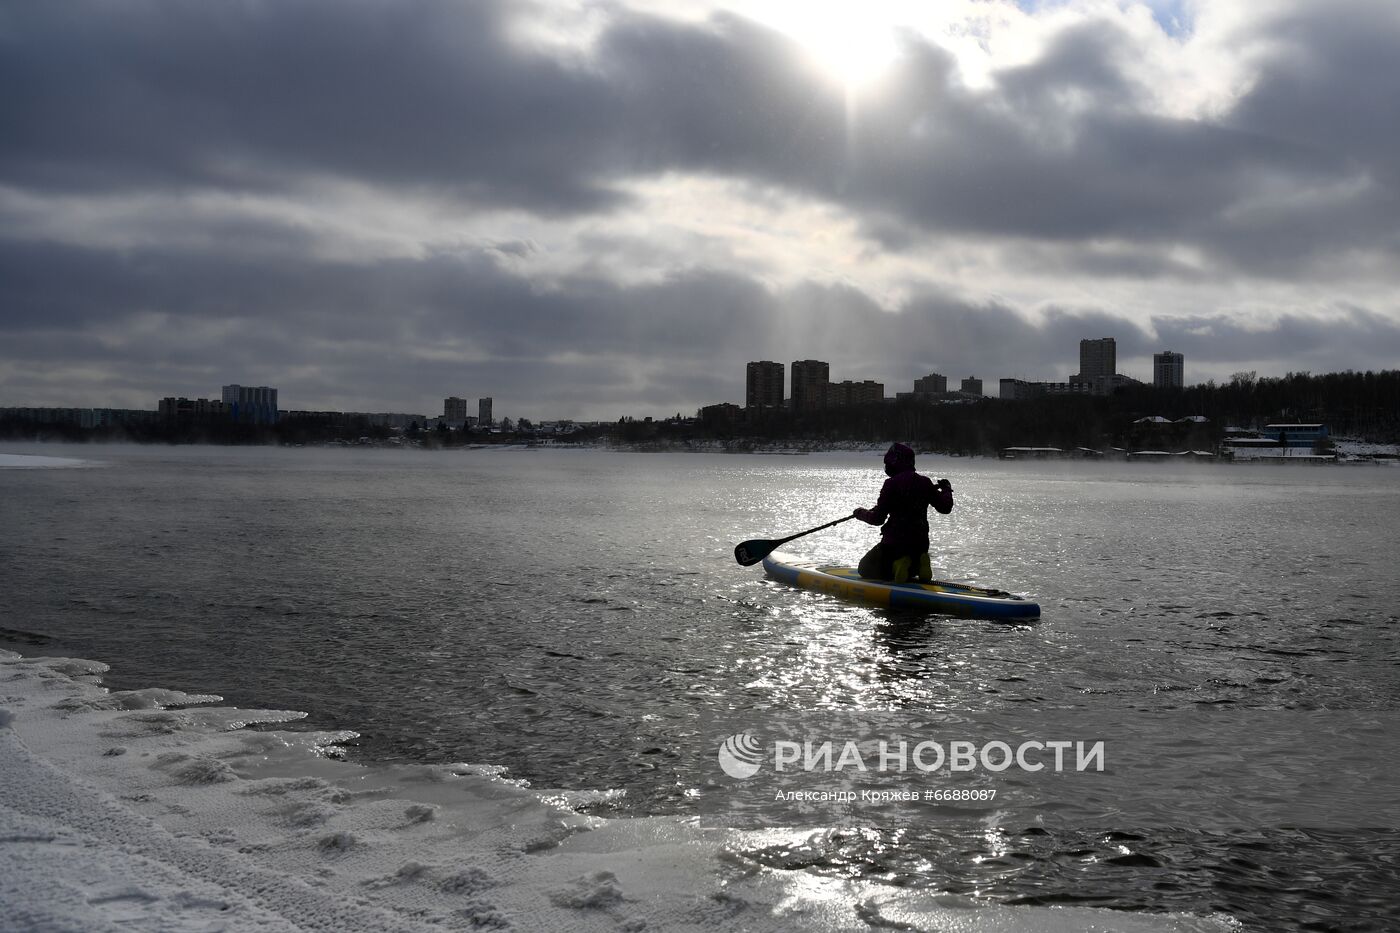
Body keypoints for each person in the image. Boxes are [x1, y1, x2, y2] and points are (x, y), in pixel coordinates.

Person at [852, 443, 953, 583]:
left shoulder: (891, 484)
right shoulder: (925, 482)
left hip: (895, 545)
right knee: (911, 562)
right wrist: (947, 490)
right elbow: (945, 508)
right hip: (920, 545)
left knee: (864, 568)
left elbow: (877, 519)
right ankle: (919, 564)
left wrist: (860, 513)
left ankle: (897, 565)